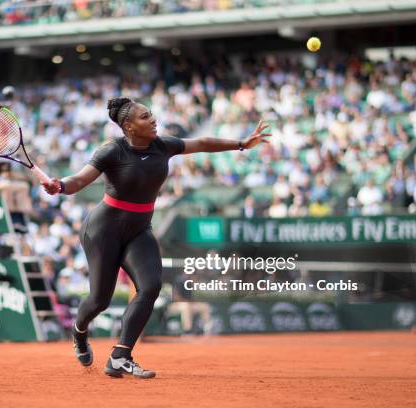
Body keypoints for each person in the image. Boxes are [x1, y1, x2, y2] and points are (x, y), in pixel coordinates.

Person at [42, 97, 271, 379]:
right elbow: (79, 180)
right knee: (100, 300)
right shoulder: (111, 151)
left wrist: (241, 143)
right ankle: (79, 332)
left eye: (151, 114)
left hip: (140, 229)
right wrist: (60, 185)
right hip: (103, 230)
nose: (152, 119)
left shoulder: (164, 145)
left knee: (150, 287)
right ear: (128, 126)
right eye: (145, 116)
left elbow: (201, 143)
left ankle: (120, 356)